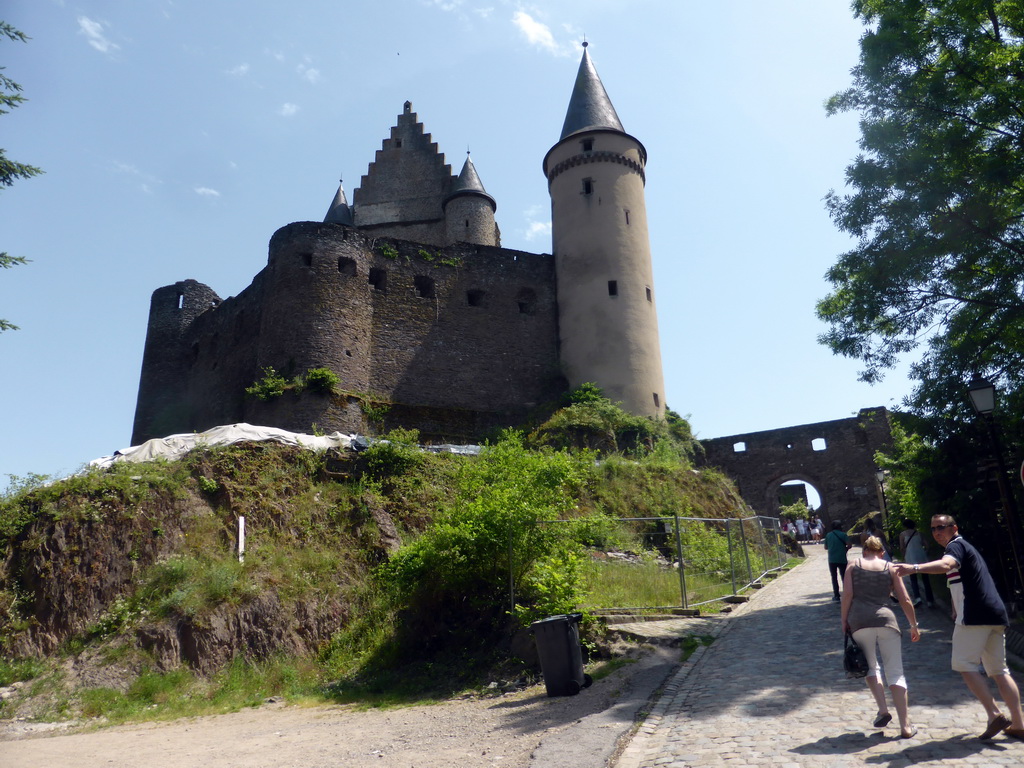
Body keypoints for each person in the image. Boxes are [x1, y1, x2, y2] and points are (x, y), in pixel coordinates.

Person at [894, 515, 1024, 740]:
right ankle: (1019, 724)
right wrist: (955, 606)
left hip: (974, 616)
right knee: (999, 671)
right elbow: (960, 579)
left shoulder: (956, 546)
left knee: (965, 665)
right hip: (995, 615)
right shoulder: (965, 547)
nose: (936, 532)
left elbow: (947, 565)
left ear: (954, 528)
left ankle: (994, 714)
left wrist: (913, 567)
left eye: (941, 527)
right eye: (933, 528)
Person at [842, 535, 921, 738]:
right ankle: (905, 726)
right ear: (882, 551)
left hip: (860, 621)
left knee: (871, 667)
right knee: (895, 672)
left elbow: (848, 595)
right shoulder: (890, 567)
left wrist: (844, 620)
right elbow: (903, 597)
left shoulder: (853, 565)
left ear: (864, 550)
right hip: (887, 621)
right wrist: (913, 624)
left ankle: (883, 710)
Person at [898, 518, 934, 608]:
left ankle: (918, 598)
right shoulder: (919, 533)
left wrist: (903, 558)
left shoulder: (902, 535)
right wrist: (925, 552)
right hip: (922, 558)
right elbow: (927, 545)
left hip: (910, 558)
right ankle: (930, 601)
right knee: (926, 580)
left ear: (905, 526)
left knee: (913, 579)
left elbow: (902, 548)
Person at [825, 521, 852, 602]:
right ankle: (846, 594)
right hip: (842, 558)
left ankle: (836, 595)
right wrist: (845, 549)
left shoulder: (828, 535)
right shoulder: (843, 534)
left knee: (834, 577)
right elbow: (849, 544)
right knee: (844, 577)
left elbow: (826, 547)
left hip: (832, 559)